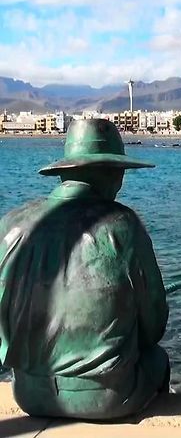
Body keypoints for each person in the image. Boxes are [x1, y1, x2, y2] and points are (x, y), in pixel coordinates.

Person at [0, 119, 169, 420]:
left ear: (64, 172)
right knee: (158, 359)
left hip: (27, 393)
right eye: (119, 172)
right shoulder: (123, 225)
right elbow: (153, 328)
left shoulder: (10, 223)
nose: (121, 182)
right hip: (108, 398)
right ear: (109, 173)